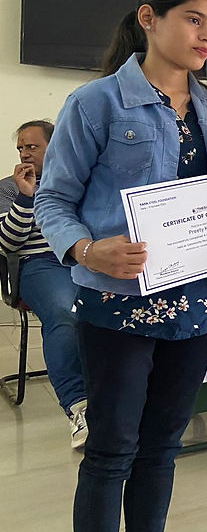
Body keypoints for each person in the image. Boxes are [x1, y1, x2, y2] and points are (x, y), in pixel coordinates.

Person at [34, 0, 207, 532]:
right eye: (193, 19)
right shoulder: (95, 103)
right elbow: (52, 199)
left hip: (196, 301)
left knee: (163, 445)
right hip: (117, 303)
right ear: (149, 18)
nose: (205, 36)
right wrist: (85, 250)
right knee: (111, 449)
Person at [0, 120, 88, 448]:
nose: (25, 153)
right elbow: (7, 244)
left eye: (32, 146)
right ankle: (79, 406)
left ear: (57, 146)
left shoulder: (79, 180)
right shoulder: (8, 188)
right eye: (21, 148)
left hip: (83, 258)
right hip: (39, 265)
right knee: (64, 315)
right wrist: (25, 198)